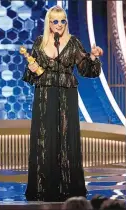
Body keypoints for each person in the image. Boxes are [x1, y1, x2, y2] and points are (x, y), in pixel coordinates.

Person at [23, 5, 103, 202]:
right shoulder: (39, 42)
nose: (59, 24)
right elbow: (29, 76)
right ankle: (43, 187)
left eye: (62, 21)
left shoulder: (73, 42)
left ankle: (68, 187)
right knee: (45, 137)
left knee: (66, 137)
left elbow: (87, 70)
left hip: (66, 93)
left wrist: (92, 56)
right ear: (49, 23)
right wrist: (32, 69)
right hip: (44, 95)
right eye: (55, 21)